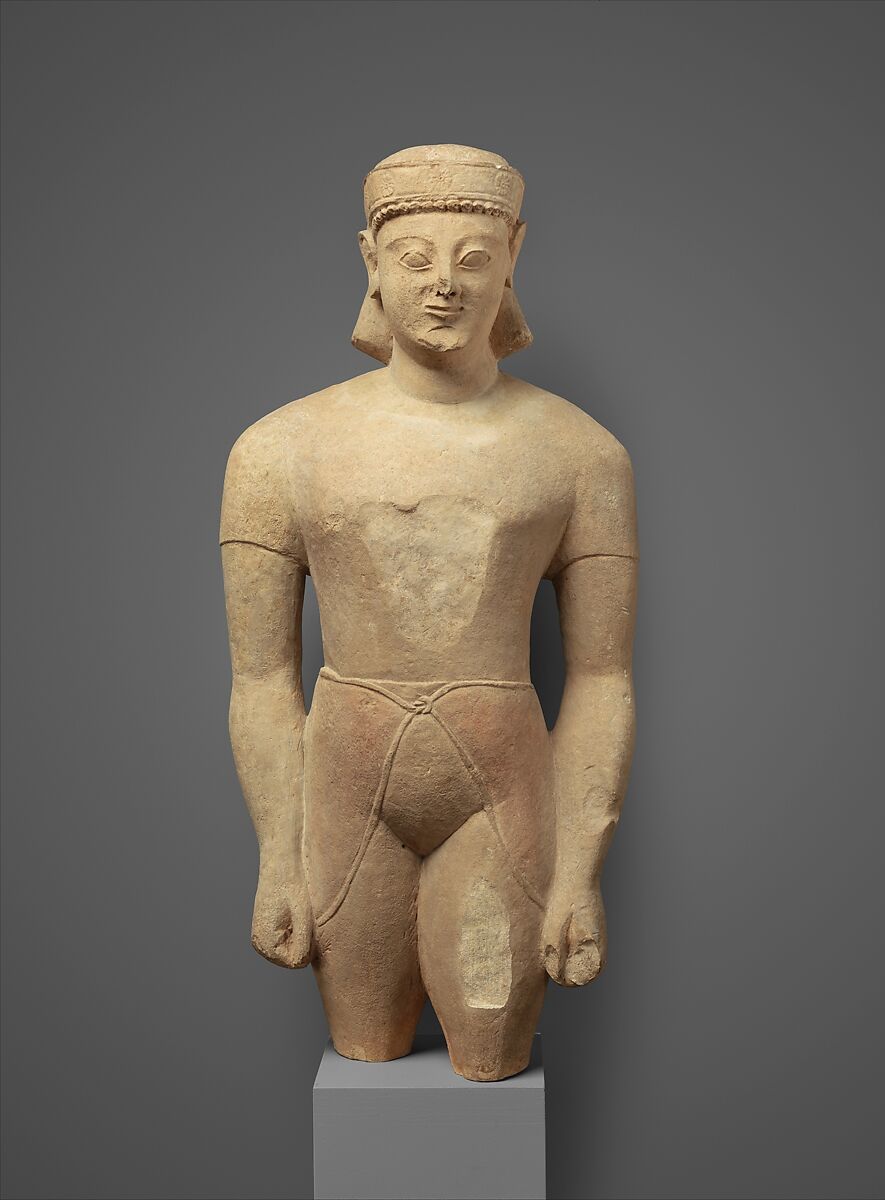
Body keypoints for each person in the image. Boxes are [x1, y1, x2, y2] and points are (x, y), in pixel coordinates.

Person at [220, 145, 638, 1081]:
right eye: (415, 258)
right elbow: (262, 680)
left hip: (501, 789)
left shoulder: (580, 456)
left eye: (474, 257)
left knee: (492, 1066)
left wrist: (580, 874)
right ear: (370, 259)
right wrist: (278, 858)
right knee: (361, 1056)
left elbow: (603, 680)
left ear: (513, 256)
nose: (444, 283)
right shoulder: (279, 452)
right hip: (346, 790)